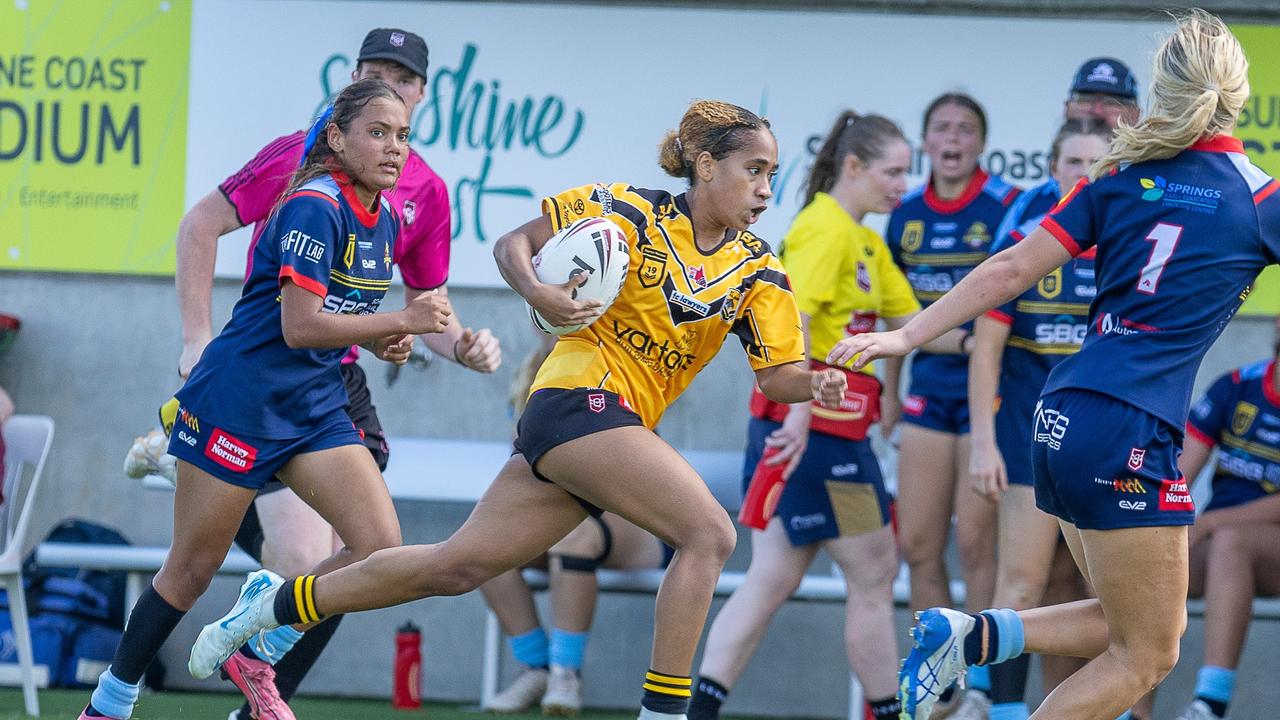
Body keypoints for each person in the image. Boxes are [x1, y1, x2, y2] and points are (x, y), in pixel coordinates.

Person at [187, 99, 849, 720]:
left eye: (772, 175)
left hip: (611, 436)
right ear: (706, 166)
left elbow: (780, 375)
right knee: (710, 533)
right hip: (573, 404)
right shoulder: (626, 210)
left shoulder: (761, 273)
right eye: (753, 170)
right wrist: (542, 293)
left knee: (453, 567)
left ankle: (270, 606)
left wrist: (815, 383)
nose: (766, 188)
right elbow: (513, 245)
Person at [831, 11, 1274, 719]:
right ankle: (973, 639)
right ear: (1237, 93)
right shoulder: (1258, 196)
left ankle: (972, 634)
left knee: (1132, 624)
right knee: (1149, 653)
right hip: (1131, 427)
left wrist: (906, 336)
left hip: (1060, 415)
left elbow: (1008, 269)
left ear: (1163, 90)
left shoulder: (1122, 173)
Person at [78, 78, 453, 720]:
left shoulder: (388, 217)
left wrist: (390, 337)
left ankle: (260, 645)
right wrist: (401, 322)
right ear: (336, 136)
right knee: (191, 570)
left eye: (403, 136)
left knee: (379, 547)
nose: (395, 149)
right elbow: (299, 325)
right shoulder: (314, 203)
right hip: (238, 401)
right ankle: (110, 702)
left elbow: (344, 315)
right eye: (378, 133)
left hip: (312, 407)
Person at [174, 27, 501, 720]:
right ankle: (183, 462)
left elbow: (422, 312)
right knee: (300, 559)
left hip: (336, 383)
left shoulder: (426, 192)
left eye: (403, 77)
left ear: (421, 95)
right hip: (259, 372)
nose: (392, 84)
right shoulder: (300, 157)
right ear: (351, 82)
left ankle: (258, 698)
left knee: (361, 564)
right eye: (376, 70)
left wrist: (464, 344)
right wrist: (196, 338)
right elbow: (200, 224)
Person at [686, 110, 969, 720]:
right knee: (872, 570)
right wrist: (799, 417)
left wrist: (991, 338)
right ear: (854, 166)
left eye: (908, 172)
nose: (904, 184)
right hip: (816, 433)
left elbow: (912, 326)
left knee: (774, 578)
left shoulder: (864, 237)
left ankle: (698, 711)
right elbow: (797, 322)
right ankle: (891, 711)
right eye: (894, 171)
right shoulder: (825, 227)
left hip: (824, 431)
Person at [966, 119, 1111, 720]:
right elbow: (986, 351)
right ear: (1051, 171)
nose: (1082, 173)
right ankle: (998, 711)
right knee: (1020, 586)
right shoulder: (1026, 245)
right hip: (1029, 438)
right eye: (1072, 162)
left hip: (1104, 446)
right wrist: (982, 444)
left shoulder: (1129, 248)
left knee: (1111, 601)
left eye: (1095, 164)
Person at [885, 91, 1019, 716]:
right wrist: (888, 395)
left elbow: (1000, 313)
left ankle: (983, 685)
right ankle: (938, 682)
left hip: (983, 393)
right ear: (926, 142)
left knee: (975, 547)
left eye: (965, 128)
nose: (953, 138)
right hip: (926, 391)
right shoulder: (905, 215)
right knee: (917, 544)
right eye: (941, 127)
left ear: (981, 143)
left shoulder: (1001, 209)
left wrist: (958, 337)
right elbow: (896, 316)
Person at [482, 336, 671, 715]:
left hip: (633, 522)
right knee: (485, 545)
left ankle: (565, 675)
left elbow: (637, 476)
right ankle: (535, 667)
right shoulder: (532, 375)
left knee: (576, 536)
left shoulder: (621, 367)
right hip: (562, 518)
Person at [1132, 351, 1280, 720]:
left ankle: (1210, 703)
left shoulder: (1220, 529)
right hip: (1219, 547)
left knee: (1230, 542)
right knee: (1142, 558)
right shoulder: (1236, 386)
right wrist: (1156, 529)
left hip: (1253, 543)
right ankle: (1134, 707)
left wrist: (1210, 524)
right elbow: (1176, 477)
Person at [996, 57, 1140, 253]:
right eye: (1086, 99)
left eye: (1112, 102)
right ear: (1067, 108)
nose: (1096, 111)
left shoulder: (1150, 191)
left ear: (1135, 115)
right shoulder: (1030, 204)